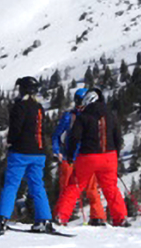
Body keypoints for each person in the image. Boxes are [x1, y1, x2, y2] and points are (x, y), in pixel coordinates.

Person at [54, 88, 129, 227]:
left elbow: (74, 137)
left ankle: (61, 217)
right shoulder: (110, 115)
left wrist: (69, 155)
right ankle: (121, 218)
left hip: (88, 157)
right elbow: (118, 138)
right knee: (111, 188)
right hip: (109, 156)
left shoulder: (83, 116)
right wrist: (116, 155)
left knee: (74, 186)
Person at [0, 77, 53, 235]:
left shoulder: (19, 106)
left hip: (20, 152)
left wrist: (10, 142)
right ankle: (44, 219)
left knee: (12, 184)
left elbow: (15, 129)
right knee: (37, 185)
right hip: (38, 152)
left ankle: (2, 218)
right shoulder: (39, 107)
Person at [51, 88, 107, 226]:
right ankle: (60, 216)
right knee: (66, 188)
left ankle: (97, 216)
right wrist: (57, 152)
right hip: (69, 157)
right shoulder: (70, 117)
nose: (80, 105)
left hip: (86, 157)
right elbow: (57, 135)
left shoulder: (91, 116)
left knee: (92, 188)